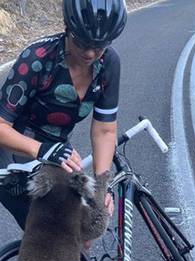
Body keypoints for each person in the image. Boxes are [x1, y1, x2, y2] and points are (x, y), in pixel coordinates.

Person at [0, 0, 127, 230]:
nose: (90, 53)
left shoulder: (109, 63)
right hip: (11, 153)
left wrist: (102, 185)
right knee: (53, 233)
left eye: (99, 46)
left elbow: (105, 130)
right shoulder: (36, 59)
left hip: (55, 150)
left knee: (87, 227)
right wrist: (40, 149)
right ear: (68, 27)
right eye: (82, 42)